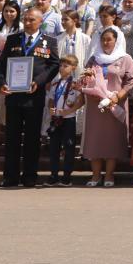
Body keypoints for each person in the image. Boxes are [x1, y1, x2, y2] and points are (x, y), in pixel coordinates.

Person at [0, 7, 59, 188]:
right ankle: (10, 177)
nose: (28, 22)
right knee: (12, 138)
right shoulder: (13, 39)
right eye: (26, 19)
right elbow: (1, 65)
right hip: (14, 96)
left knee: (32, 138)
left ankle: (30, 176)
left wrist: (38, 81)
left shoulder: (49, 41)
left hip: (34, 96)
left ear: (41, 22)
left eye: (32, 19)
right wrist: (2, 83)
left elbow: (54, 65)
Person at [82, 26, 133, 187]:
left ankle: (109, 175)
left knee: (112, 141)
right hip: (96, 105)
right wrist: (87, 80)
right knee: (95, 140)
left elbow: (132, 81)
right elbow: (86, 77)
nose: (106, 42)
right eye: (103, 39)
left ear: (116, 40)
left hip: (116, 105)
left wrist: (118, 96)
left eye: (109, 39)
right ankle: (95, 176)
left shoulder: (125, 59)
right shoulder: (94, 58)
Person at [45, 54, 82, 187]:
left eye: (65, 66)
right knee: (54, 147)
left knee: (69, 147)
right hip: (56, 120)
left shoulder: (76, 84)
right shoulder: (55, 83)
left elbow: (80, 101)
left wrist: (69, 111)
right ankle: (53, 175)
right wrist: (51, 109)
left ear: (73, 68)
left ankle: (66, 176)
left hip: (68, 120)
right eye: (61, 65)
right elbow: (50, 99)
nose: (62, 68)